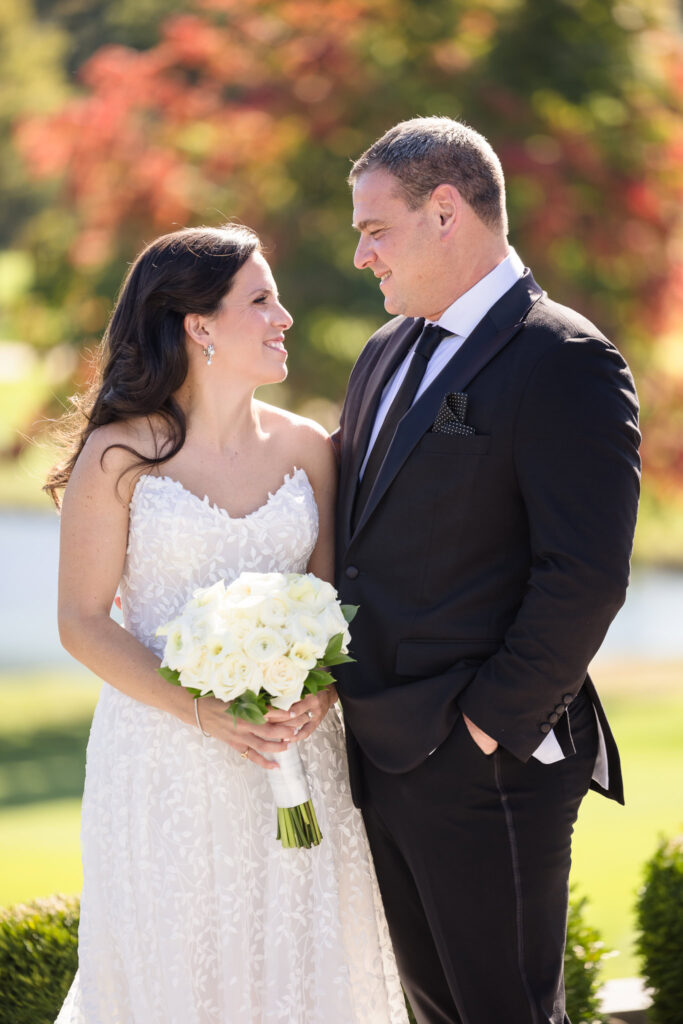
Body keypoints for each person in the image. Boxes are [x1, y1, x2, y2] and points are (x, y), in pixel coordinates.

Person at [49, 224, 408, 1024]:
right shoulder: (118, 457)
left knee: (305, 965)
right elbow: (80, 621)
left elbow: (331, 603)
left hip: (295, 748)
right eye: (261, 300)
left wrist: (319, 696)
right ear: (198, 325)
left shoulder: (311, 448)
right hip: (163, 758)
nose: (283, 318)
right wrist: (204, 713)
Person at [333, 117, 641, 1024]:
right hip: (381, 754)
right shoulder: (383, 352)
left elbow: (583, 575)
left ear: (444, 211)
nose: (360, 256)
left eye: (373, 229)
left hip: (486, 767)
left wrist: (484, 729)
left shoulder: (565, 359)